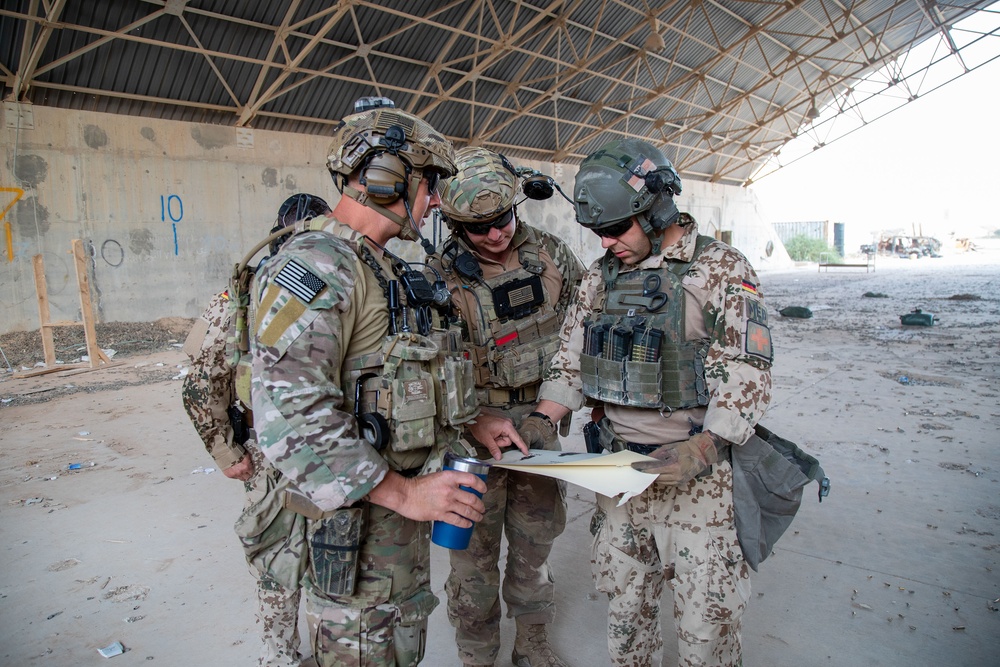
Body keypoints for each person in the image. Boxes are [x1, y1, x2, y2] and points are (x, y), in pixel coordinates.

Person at [247, 101, 525, 667]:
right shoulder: (320, 267)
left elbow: (394, 374)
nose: (434, 202)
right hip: (354, 526)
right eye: (431, 186)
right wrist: (404, 494)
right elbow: (290, 415)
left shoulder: (381, 266)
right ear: (390, 180)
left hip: (392, 525)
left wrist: (472, 419)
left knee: (399, 642)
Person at [521, 138, 773, 667]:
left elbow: (748, 371)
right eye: (598, 232)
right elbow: (570, 359)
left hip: (700, 482)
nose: (607, 242)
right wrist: (546, 419)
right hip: (622, 476)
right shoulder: (599, 278)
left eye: (616, 229)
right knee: (627, 621)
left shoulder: (720, 269)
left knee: (708, 630)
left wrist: (704, 449)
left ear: (656, 209)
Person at [429, 147, 584, 667]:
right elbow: (428, 369)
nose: (497, 235)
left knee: (535, 542)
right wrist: (474, 418)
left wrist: (551, 414)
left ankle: (533, 644)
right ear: (454, 225)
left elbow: (583, 335)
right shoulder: (436, 280)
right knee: (471, 558)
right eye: (481, 228)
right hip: (470, 432)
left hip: (541, 421)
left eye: (504, 220)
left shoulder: (553, 256)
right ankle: (477, 654)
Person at [181, 192, 331, 667]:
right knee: (277, 562)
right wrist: (227, 454)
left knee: (332, 562)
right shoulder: (242, 298)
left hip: (332, 452)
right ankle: (280, 657)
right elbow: (201, 384)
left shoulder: (338, 290)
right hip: (270, 455)